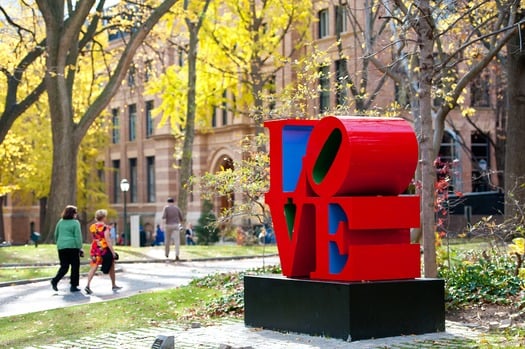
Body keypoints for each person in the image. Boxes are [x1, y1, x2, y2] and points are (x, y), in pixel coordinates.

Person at [84, 209, 121, 294]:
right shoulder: (105, 228)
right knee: (111, 265)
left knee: (94, 267)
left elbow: (93, 238)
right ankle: (113, 284)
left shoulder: (93, 227)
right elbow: (107, 240)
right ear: (104, 217)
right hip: (104, 249)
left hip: (95, 248)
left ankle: (87, 285)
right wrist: (113, 252)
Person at [51, 205, 83, 293]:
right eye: (75, 213)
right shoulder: (75, 223)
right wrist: (80, 248)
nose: (76, 215)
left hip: (61, 247)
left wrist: (59, 243)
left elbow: (56, 234)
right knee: (75, 266)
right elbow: (78, 236)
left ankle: (55, 280)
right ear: (73, 214)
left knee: (64, 266)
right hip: (72, 247)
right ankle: (73, 285)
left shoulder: (60, 222)